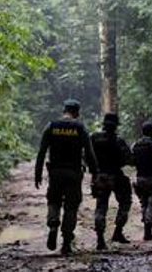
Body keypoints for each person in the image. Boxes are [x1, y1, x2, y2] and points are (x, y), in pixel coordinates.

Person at [35, 98, 98, 255]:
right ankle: (66, 243)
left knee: (54, 201)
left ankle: (53, 224)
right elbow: (89, 153)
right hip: (74, 174)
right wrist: (95, 173)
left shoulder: (51, 126)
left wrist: (37, 173)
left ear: (64, 111)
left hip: (55, 173)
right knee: (71, 206)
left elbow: (42, 152)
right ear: (76, 113)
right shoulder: (80, 128)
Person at [90, 113, 133, 250]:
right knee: (125, 202)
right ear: (116, 126)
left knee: (101, 207)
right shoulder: (119, 140)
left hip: (101, 176)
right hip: (116, 175)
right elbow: (129, 159)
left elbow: (87, 157)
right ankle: (118, 232)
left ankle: (100, 240)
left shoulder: (94, 138)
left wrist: (94, 171)